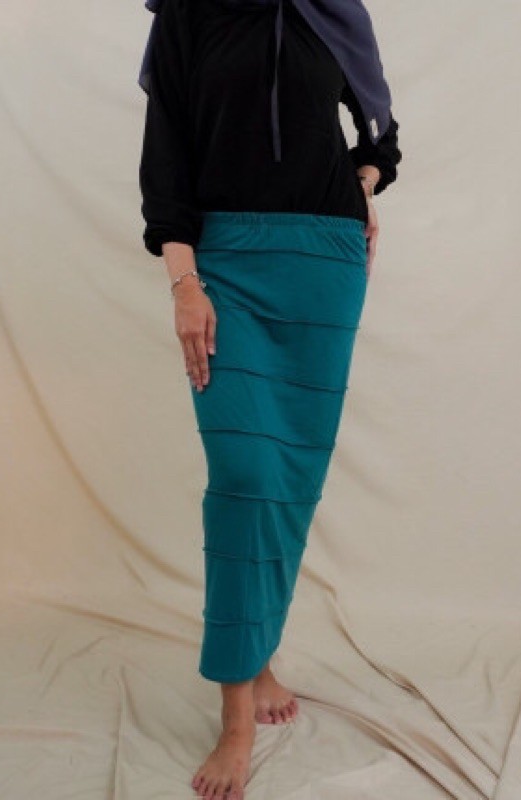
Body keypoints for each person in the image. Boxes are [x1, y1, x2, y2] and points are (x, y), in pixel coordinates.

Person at [138, 0, 401, 796]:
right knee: (245, 476)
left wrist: (364, 184)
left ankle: (258, 657)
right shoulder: (188, 12)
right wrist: (184, 282)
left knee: (289, 482)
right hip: (225, 263)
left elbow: (381, 136)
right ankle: (236, 717)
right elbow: (165, 151)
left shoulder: (335, 11)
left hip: (324, 259)